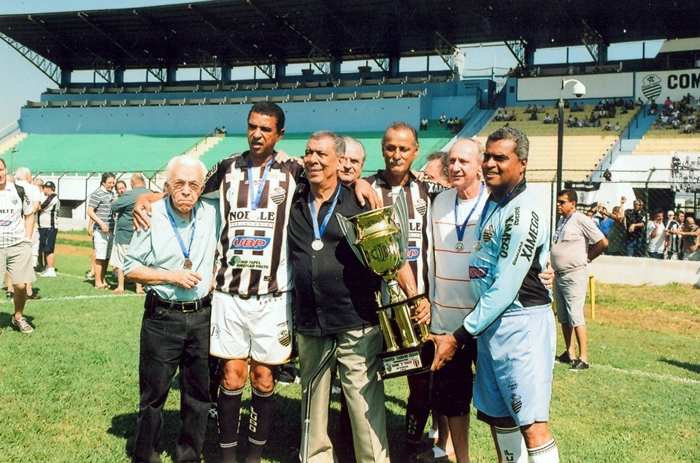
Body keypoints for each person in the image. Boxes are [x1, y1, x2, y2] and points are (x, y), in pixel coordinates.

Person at [288, 131, 427, 463]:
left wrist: (414, 296)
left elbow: (391, 257)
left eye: (322, 154)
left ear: (339, 161)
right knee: (313, 409)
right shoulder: (294, 196)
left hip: (356, 322)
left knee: (365, 408)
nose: (313, 159)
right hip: (311, 322)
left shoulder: (360, 200)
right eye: (308, 153)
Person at [431, 126, 560, 463]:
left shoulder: (522, 210)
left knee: (532, 425)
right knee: (499, 418)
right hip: (491, 327)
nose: (490, 163)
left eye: (500, 158)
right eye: (487, 156)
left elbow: (505, 287)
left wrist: (457, 336)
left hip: (520, 324)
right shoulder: (494, 200)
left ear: (523, 163)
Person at [124, 155, 220, 463]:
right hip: (162, 316)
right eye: (179, 184)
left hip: (203, 315)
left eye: (193, 185)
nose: (186, 191)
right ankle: (144, 455)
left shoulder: (212, 212)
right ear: (167, 186)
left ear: (202, 188)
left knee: (198, 396)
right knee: (153, 395)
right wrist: (170, 276)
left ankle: (189, 456)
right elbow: (131, 268)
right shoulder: (150, 214)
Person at [364, 122, 445, 461]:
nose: (396, 155)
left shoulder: (432, 191)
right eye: (390, 147)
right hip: (370, 304)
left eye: (403, 148)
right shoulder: (363, 188)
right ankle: (360, 443)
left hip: (418, 303)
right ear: (382, 149)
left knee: (421, 379)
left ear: (416, 151)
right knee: (362, 380)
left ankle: (412, 445)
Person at [423, 138, 486, 463]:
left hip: (485, 323)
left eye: (464, 161)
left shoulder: (495, 203)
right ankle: (461, 459)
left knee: (494, 404)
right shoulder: (438, 203)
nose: (456, 167)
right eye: (452, 161)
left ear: (480, 165)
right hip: (447, 324)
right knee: (454, 402)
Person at [551, 190, 607, 372]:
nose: (559, 205)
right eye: (558, 202)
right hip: (560, 275)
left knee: (575, 315)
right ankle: (570, 352)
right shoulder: (562, 221)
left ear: (573, 204)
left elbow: (602, 242)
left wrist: (587, 258)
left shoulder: (581, 219)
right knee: (564, 316)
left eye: (562, 202)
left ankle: (584, 357)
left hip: (574, 274)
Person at [0, 159, 36, 333]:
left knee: (21, 285)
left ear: (6, 170)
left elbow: (29, 214)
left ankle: (18, 317)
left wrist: (27, 239)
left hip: (17, 244)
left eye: (1, 169)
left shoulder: (18, 190)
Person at [111, 173, 149, 294]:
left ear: (132, 183)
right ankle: (139, 287)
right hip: (143, 233)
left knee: (122, 260)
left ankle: (121, 286)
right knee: (139, 260)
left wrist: (117, 202)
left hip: (125, 233)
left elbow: (114, 206)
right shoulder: (152, 193)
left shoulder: (130, 194)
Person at [13, 167, 41, 299]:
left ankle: (11, 288)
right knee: (29, 255)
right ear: (28, 176)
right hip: (28, 226)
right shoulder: (33, 188)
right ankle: (28, 290)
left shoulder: (12, 186)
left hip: (13, 226)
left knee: (11, 255)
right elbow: (35, 207)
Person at [87, 172, 116, 289]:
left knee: (106, 256)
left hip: (111, 230)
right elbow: (90, 211)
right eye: (109, 183)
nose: (111, 185)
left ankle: (103, 279)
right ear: (103, 182)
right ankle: (97, 282)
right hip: (100, 230)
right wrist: (101, 223)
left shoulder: (112, 194)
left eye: (113, 182)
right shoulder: (97, 194)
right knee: (99, 256)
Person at [37, 181, 60, 277]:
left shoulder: (52, 198)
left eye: (44, 188)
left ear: (48, 188)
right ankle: (47, 267)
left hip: (49, 226)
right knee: (45, 247)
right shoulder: (50, 197)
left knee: (48, 248)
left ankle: (51, 268)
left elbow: (40, 207)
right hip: (45, 226)